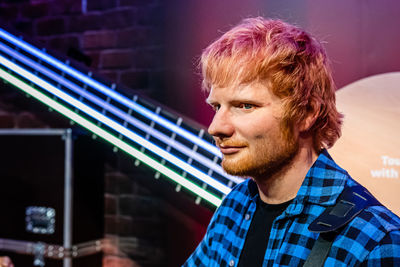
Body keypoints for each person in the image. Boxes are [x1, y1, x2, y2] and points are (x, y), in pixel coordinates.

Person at [183, 17, 400, 266]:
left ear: (307, 113)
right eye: (217, 106)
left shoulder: (376, 242)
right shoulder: (234, 205)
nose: (216, 127)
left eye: (244, 106)